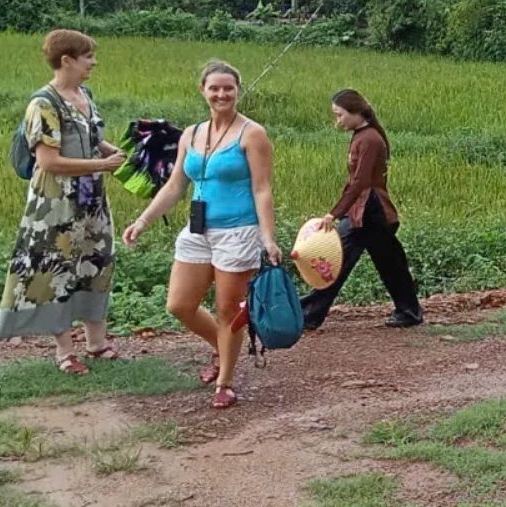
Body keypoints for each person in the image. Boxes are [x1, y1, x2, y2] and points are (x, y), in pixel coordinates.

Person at [122, 61, 281, 410]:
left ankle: (225, 381)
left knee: (228, 310)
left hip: (238, 231)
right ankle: (221, 349)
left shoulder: (252, 134)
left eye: (229, 88)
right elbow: (176, 184)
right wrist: (143, 220)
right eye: (215, 88)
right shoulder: (192, 134)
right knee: (179, 305)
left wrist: (268, 238)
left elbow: (262, 189)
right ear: (203, 90)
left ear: (238, 90)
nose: (222, 94)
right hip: (198, 231)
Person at [0, 30, 126, 372]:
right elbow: (49, 162)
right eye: (88, 57)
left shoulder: (85, 94)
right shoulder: (43, 103)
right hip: (56, 204)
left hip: (91, 200)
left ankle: (97, 343)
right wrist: (102, 165)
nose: (93, 63)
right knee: (56, 268)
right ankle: (64, 351)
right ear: (66, 60)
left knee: (95, 263)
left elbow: (91, 137)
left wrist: (112, 151)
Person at [300, 89, 423, 331]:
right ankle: (409, 311)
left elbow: (361, 182)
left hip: (370, 210)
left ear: (356, 112)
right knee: (389, 262)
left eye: (340, 115)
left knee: (340, 261)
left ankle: (310, 314)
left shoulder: (369, 139)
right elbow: (356, 182)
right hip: (365, 209)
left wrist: (333, 213)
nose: (338, 121)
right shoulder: (362, 135)